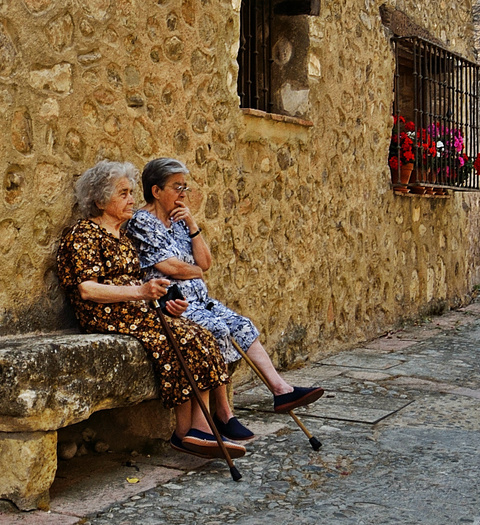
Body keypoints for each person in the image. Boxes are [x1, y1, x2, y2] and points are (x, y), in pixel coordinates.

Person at [56, 159, 246, 460]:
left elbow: (142, 283)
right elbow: (87, 289)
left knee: (200, 335)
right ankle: (189, 432)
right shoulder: (83, 235)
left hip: (135, 309)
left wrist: (164, 301)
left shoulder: (122, 236)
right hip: (106, 312)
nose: (132, 199)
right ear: (100, 199)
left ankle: (193, 428)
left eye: (131, 192)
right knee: (180, 339)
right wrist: (140, 292)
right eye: (123, 193)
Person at [126, 158, 324, 441]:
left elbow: (205, 262)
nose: (183, 193)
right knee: (217, 329)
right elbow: (171, 267)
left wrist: (193, 225)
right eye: (176, 187)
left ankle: (282, 391)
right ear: (156, 191)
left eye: (185, 186)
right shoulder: (142, 222)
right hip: (173, 304)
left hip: (201, 299)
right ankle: (224, 413)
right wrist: (194, 271)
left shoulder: (181, 220)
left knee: (242, 325)